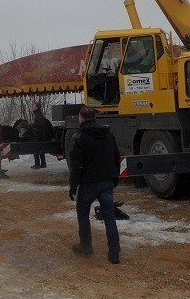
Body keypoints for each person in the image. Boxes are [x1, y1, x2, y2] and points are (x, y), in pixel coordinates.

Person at [68, 106, 121, 264]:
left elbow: (76, 166)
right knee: (110, 217)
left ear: (82, 118)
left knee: (82, 213)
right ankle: (114, 253)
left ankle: (86, 245)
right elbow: (116, 158)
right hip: (106, 183)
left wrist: (73, 186)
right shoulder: (109, 135)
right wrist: (114, 179)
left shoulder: (79, 137)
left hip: (89, 184)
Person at [30, 102, 53, 169]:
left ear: (36, 107)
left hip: (38, 135)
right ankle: (43, 164)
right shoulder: (39, 114)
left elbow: (38, 125)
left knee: (36, 149)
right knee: (41, 149)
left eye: (33, 106)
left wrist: (33, 126)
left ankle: (37, 164)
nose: (32, 107)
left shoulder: (38, 114)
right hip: (41, 135)